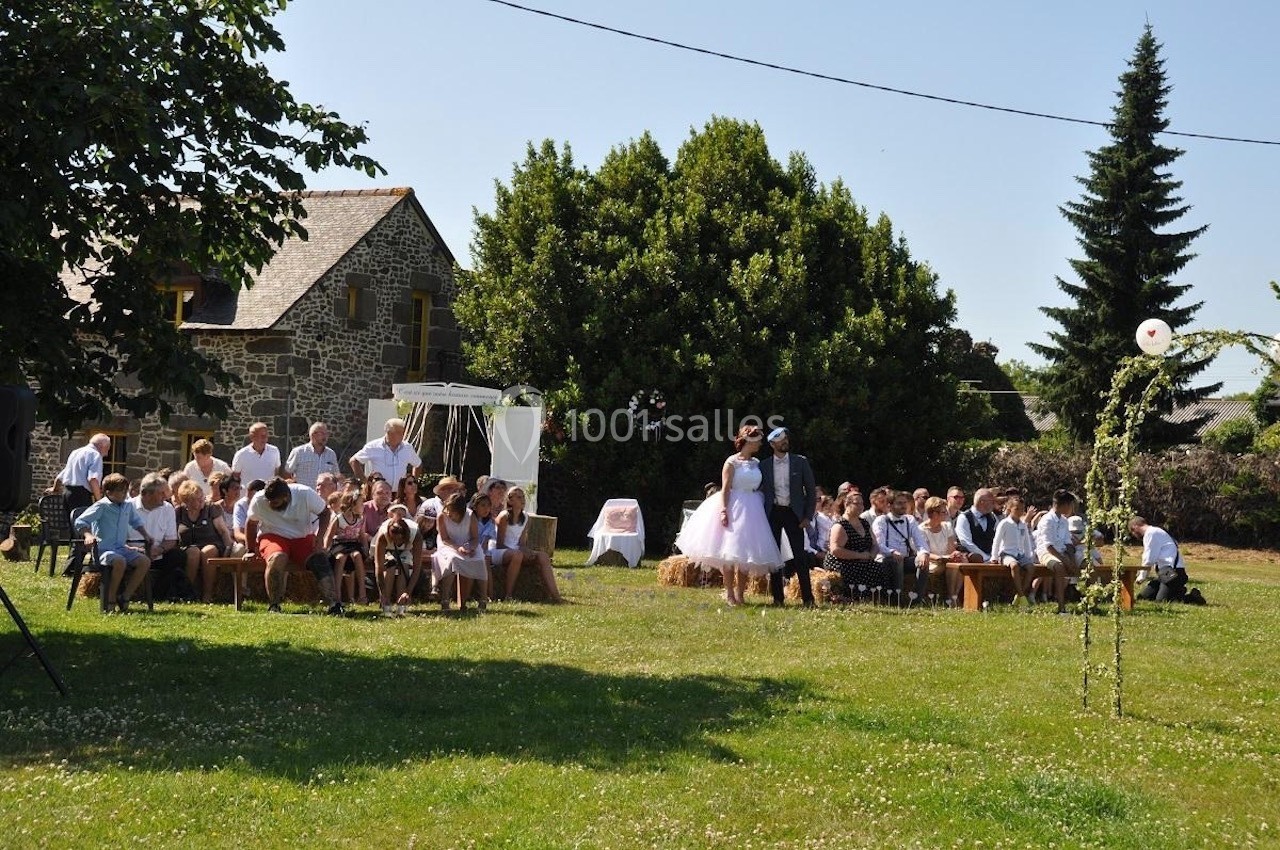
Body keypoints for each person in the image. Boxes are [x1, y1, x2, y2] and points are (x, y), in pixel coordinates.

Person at [675, 425, 782, 607]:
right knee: (729, 551)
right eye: (758, 440)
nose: (760, 444)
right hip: (735, 504)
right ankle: (730, 593)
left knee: (745, 554)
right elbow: (726, 488)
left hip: (753, 506)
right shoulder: (731, 462)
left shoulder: (757, 463)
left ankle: (741, 593)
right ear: (749, 440)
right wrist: (724, 510)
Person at [243, 477, 343, 615]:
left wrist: (319, 538)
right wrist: (250, 550)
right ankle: (274, 605)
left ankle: (334, 605)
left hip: (302, 537)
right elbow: (251, 523)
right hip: (272, 536)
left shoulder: (305, 493)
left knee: (320, 560)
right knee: (277, 558)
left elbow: (325, 513)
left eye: (275, 502)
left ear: (286, 497)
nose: (271, 504)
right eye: (269, 501)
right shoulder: (260, 499)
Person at [74, 473, 153, 613]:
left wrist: (146, 535)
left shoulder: (127, 506)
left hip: (121, 548)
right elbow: (80, 521)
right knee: (119, 561)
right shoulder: (101, 506)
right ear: (108, 492)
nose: (124, 494)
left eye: (125, 490)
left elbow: (136, 522)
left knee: (144, 561)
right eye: (120, 491)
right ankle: (110, 598)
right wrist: (88, 535)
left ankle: (125, 597)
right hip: (103, 550)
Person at [758, 426, 818, 607]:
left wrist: (808, 516)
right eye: (780, 440)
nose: (785, 442)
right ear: (772, 444)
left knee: (799, 556)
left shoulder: (800, 461)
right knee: (776, 557)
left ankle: (808, 599)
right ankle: (778, 598)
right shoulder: (764, 465)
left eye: (786, 439)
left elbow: (811, 491)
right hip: (774, 513)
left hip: (794, 513)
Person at [494, 486, 562, 603]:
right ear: (510, 500)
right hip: (500, 551)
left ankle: (556, 596)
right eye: (519, 497)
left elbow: (521, 542)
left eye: (523, 497)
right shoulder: (504, 516)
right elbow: (499, 544)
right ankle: (508, 595)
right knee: (518, 555)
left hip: (516, 550)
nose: (523, 500)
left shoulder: (525, 517)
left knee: (543, 556)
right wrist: (519, 552)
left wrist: (527, 551)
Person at [127, 473, 187, 601]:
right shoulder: (127, 508)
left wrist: (159, 549)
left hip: (157, 554)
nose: (165, 497)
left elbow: (171, 539)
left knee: (178, 556)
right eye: (161, 493)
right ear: (146, 494)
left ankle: (156, 594)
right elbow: (119, 539)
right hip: (132, 553)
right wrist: (137, 550)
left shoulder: (167, 509)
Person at [175, 480, 234, 603]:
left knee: (208, 551)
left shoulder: (212, 508)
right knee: (193, 552)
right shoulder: (179, 512)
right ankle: (188, 593)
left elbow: (223, 531)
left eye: (202, 497)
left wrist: (228, 549)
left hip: (212, 544)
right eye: (198, 499)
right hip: (188, 546)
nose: (202, 500)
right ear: (187, 501)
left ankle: (207, 594)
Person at [872, 490, 932, 606]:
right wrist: (892, 552)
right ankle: (897, 601)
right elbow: (879, 545)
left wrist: (923, 553)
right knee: (897, 560)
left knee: (924, 562)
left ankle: (916, 600)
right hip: (886, 559)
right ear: (890, 505)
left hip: (904, 558)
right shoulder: (881, 521)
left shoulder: (910, 520)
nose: (903, 506)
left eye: (905, 503)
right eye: (899, 503)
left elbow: (920, 541)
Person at [821, 491, 883, 600]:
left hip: (863, 558)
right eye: (857, 504)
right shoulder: (840, 525)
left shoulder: (864, 523)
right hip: (842, 562)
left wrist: (871, 555)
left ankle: (882, 598)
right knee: (861, 571)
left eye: (862, 504)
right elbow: (835, 550)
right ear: (847, 505)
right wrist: (860, 556)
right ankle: (855, 598)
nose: (861, 507)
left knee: (879, 567)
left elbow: (875, 544)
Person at [434, 492, 489, 612]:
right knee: (452, 560)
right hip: (448, 545)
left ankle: (483, 600)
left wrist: (471, 548)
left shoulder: (470, 516)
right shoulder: (441, 517)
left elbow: (475, 538)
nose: (448, 513)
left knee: (479, 560)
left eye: (452, 511)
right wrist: (458, 548)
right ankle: (445, 600)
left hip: (468, 544)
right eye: (447, 509)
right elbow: (444, 539)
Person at [1130, 516, 1204, 604]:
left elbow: (1149, 558)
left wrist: (1141, 577)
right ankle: (1176, 590)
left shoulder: (1151, 533)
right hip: (1165, 574)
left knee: (1162, 601)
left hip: (1174, 573)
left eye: (1132, 532)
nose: (1134, 535)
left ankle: (1191, 597)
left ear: (1135, 526)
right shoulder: (1156, 531)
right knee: (1143, 597)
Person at [372, 504, 426, 617]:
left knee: (404, 566)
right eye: (394, 539)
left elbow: (416, 568)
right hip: (387, 549)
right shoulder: (383, 536)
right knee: (390, 566)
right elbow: (379, 568)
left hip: (406, 549)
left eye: (399, 539)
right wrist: (382, 594)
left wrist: (408, 591)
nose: (396, 541)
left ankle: (401, 604)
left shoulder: (416, 535)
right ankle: (385, 604)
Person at [1033, 489, 1080, 614]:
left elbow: (1068, 543)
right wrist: (1065, 561)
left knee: (1085, 564)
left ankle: (1090, 603)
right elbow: (1048, 546)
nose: (1072, 508)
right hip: (1046, 553)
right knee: (1059, 567)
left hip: (1061, 552)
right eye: (1071, 505)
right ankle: (1061, 607)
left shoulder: (1064, 521)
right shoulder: (1047, 520)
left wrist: (1073, 560)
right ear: (1064, 505)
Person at [323, 490, 370, 605]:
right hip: (339, 544)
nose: (362, 506)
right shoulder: (339, 519)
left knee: (357, 555)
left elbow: (362, 536)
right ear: (352, 505)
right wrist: (325, 549)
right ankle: (337, 595)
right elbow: (329, 536)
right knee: (340, 558)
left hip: (353, 544)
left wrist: (366, 549)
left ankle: (362, 595)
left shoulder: (360, 519)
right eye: (360, 503)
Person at [918, 496, 966, 606]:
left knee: (961, 560)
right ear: (934, 513)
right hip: (932, 561)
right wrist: (941, 558)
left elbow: (951, 548)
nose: (946, 514)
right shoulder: (921, 530)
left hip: (946, 558)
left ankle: (953, 595)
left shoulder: (947, 526)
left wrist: (953, 554)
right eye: (944, 512)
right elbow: (924, 552)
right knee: (951, 563)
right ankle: (952, 598)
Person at [350, 418, 421, 490]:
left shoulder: (407, 447)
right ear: (389, 433)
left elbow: (418, 464)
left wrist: (413, 483)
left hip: (399, 494)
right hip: (379, 493)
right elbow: (354, 461)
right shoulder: (374, 446)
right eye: (399, 432)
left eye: (403, 432)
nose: (403, 435)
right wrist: (365, 481)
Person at [993, 496, 1037, 606]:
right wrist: (994, 557)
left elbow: (1026, 542)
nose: (1020, 512)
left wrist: (1029, 556)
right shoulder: (1004, 523)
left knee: (1031, 567)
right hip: (1007, 553)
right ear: (1009, 509)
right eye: (1017, 509)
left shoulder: (1023, 525)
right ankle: (1022, 596)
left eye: (1022, 509)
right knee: (1014, 566)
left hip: (1020, 554)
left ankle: (1019, 594)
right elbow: (997, 541)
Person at [57, 433, 111, 516]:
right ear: (101, 446)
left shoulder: (75, 452)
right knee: (83, 526)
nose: (107, 454)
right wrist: (99, 500)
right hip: (81, 496)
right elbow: (93, 479)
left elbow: (61, 476)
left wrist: (54, 489)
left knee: (70, 526)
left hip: (67, 493)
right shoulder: (95, 455)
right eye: (107, 449)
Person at [285, 422, 339, 486]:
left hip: (323, 494)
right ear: (313, 435)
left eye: (327, 434)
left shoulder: (331, 454)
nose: (325, 436)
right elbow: (287, 472)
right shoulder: (299, 452)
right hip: (303, 494)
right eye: (323, 434)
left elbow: (336, 475)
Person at [955, 488, 1000, 563]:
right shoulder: (964, 517)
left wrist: (995, 556)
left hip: (993, 560)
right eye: (992, 501)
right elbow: (966, 542)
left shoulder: (993, 517)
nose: (994, 504)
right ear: (982, 502)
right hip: (973, 560)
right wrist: (985, 557)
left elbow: (1000, 538)